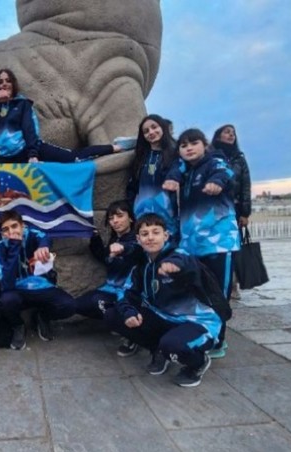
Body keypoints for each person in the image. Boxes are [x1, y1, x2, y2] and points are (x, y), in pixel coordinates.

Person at [104, 213, 221, 387]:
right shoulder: (141, 265)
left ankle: (198, 362)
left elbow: (185, 261)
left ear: (165, 235)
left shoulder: (179, 255)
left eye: (155, 232)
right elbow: (125, 293)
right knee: (113, 315)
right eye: (145, 234)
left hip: (197, 322)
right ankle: (158, 350)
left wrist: (174, 265)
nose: (150, 237)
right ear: (138, 239)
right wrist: (129, 311)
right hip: (162, 316)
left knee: (173, 345)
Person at [163, 129, 239, 359]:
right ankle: (203, 332)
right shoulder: (186, 170)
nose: (188, 148)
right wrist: (173, 176)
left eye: (194, 143)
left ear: (205, 145)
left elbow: (224, 171)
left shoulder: (214, 162)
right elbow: (177, 167)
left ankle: (219, 340)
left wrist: (217, 182)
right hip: (192, 243)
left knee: (218, 293)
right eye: (183, 145)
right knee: (198, 291)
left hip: (218, 243)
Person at [0, 210, 75, 349]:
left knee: (69, 306)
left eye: (14, 226)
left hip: (42, 287)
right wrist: (14, 247)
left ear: (22, 226)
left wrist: (43, 246)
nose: (11, 232)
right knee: (5, 301)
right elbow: (6, 283)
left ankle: (42, 317)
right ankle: (18, 326)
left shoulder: (32, 234)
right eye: (5, 229)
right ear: (2, 233)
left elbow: (45, 236)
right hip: (16, 291)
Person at [74, 200, 143, 356]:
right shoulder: (115, 239)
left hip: (129, 293)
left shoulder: (138, 239)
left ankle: (133, 335)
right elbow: (105, 257)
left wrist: (123, 248)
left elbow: (136, 249)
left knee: (98, 302)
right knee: (77, 305)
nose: (115, 221)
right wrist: (95, 238)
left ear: (131, 218)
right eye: (111, 218)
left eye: (120, 216)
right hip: (110, 289)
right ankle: (118, 324)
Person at [212, 125, 252, 300]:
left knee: (232, 247)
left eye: (233, 133)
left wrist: (245, 213)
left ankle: (233, 284)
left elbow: (245, 186)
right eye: (227, 132)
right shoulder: (210, 155)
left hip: (233, 208)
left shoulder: (239, 159)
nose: (231, 135)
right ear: (218, 135)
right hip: (213, 208)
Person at [125, 114, 178, 237]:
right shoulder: (140, 158)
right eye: (146, 131)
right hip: (142, 214)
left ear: (163, 127)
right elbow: (132, 186)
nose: (151, 132)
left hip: (169, 215)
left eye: (154, 127)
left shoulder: (175, 152)